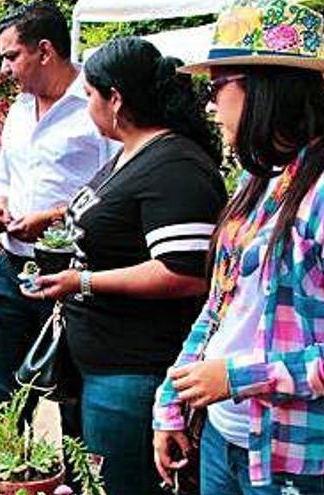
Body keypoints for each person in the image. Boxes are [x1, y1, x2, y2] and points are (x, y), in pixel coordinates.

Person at [153, 1, 324, 493]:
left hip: (300, 462)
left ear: (262, 87)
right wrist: (171, 401)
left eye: (216, 87)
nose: (209, 107)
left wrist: (239, 377)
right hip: (224, 441)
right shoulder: (262, 178)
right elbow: (221, 305)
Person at [23, 37, 227, 495]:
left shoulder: (175, 166)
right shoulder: (131, 153)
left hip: (134, 370)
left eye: (90, 96)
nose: (86, 107)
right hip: (100, 364)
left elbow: (185, 272)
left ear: (115, 98)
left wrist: (84, 281)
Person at [0, 0, 118, 452]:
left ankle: (75, 483)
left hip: (71, 277)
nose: (4, 68)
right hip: (12, 269)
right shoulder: (21, 108)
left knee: (72, 399)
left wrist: (53, 217)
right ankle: (12, 473)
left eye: (10, 56)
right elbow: (5, 173)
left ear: (44, 50)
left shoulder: (96, 103)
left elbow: (113, 189)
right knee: (7, 396)